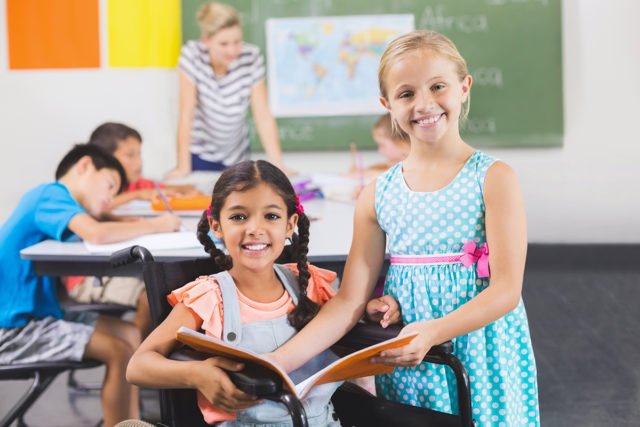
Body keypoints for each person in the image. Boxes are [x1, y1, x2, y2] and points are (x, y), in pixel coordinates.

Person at [269, 30, 540, 426]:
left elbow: (506, 290)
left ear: (464, 88)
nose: (424, 104)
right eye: (407, 93)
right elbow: (349, 300)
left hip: (483, 354)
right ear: (387, 104)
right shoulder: (378, 193)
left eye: (438, 86)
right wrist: (278, 362)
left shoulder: (493, 178)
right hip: (412, 363)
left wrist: (433, 331)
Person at [126, 160, 341, 426]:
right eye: (239, 217)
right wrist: (196, 373)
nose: (254, 228)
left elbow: (345, 323)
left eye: (271, 216)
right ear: (216, 225)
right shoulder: (208, 298)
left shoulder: (309, 284)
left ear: (290, 224)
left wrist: (373, 309)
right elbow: (137, 366)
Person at [0, 144, 181, 427]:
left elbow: (97, 223)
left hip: (38, 316)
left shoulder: (56, 203)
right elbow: (96, 234)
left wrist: (117, 219)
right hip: (13, 329)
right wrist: (157, 225)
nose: (111, 198)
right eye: (110, 186)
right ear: (84, 166)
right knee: (118, 350)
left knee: (130, 332)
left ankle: (132, 420)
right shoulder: (50, 193)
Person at [165, 2, 291, 178]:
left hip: (237, 154)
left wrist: (278, 164)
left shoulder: (251, 57)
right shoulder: (191, 55)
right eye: (223, 44)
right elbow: (186, 114)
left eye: (237, 42)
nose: (232, 50)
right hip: (200, 153)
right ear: (206, 40)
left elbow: (262, 115)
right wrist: (182, 167)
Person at [89, 122, 197, 209]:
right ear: (106, 158)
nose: (139, 162)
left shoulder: (136, 184)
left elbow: (163, 189)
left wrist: (183, 191)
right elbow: (96, 207)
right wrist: (137, 195)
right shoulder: (92, 186)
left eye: (139, 154)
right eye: (130, 155)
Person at [346, 113, 410, 183]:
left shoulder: (415, 163)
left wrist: (365, 173)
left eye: (382, 145)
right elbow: (387, 166)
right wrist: (364, 170)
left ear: (400, 141)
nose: (379, 150)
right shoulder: (400, 160)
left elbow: (396, 175)